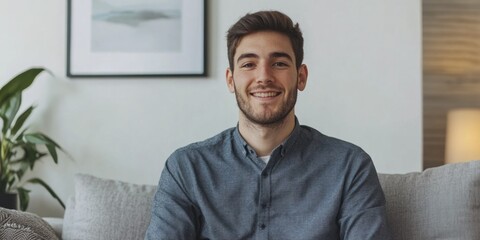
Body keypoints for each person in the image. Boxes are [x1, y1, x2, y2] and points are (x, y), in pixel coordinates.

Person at [145, 10, 391, 240]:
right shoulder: (187, 168)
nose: (264, 76)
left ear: (301, 77)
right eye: (249, 64)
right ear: (231, 80)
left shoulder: (350, 167)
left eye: (280, 63)